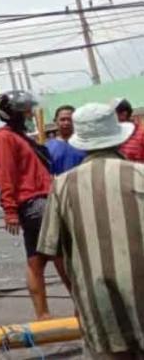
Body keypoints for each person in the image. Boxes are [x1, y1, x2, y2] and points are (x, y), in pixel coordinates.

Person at [37, 103, 143, 359]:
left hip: (99, 312)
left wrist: (78, 294)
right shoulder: (140, 175)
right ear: (120, 136)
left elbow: (53, 251)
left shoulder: (62, 186)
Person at [0, 90, 71, 320]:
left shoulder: (20, 136)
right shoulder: (4, 138)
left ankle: (44, 316)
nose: (29, 114)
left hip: (39, 202)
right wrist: (10, 211)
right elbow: (5, 175)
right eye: (25, 110)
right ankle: (81, 309)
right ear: (12, 113)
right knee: (63, 256)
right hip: (36, 204)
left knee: (36, 261)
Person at [45, 105, 86, 174]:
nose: (66, 123)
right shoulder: (47, 148)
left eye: (70, 119)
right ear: (55, 121)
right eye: (62, 119)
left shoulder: (85, 144)